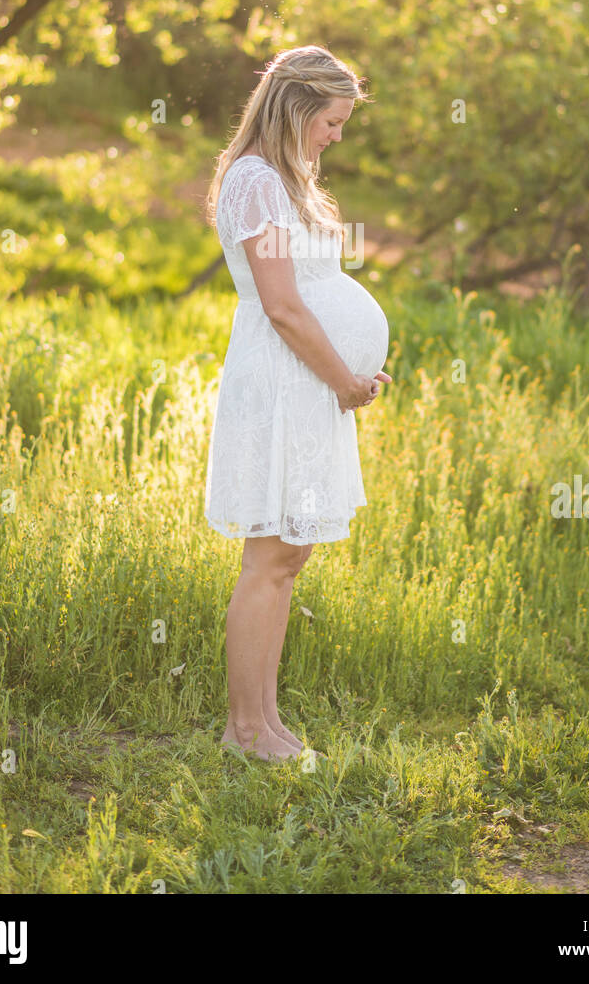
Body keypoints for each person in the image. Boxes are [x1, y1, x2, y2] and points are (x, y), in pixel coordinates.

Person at [204, 44, 392, 762]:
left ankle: (265, 723)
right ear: (296, 107)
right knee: (270, 557)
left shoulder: (282, 180)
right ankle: (244, 730)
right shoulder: (255, 179)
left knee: (288, 555)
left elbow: (311, 294)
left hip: (308, 384)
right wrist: (342, 378)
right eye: (333, 121)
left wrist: (355, 372)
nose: (337, 135)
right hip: (283, 384)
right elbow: (281, 306)